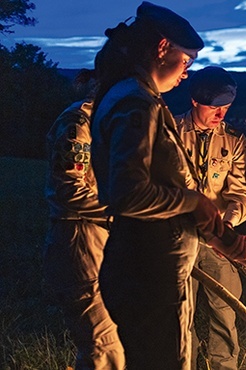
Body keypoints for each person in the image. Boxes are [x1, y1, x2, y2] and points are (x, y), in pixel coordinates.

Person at [90, 2, 246, 369]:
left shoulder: (141, 98)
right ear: (162, 48)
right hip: (145, 272)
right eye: (186, 62)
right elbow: (128, 193)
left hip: (153, 270)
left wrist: (216, 234)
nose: (185, 74)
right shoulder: (135, 102)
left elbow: (162, 187)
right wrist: (195, 201)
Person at [43, 68, 125, 370]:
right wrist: (123, 210)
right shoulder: (79, 123)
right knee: (103, 348)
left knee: (113, 342)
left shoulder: (110, 123)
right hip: (80, 239)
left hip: (105, 240)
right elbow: (68, 190)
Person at [174, 66, 246, 370]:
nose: (220, 114)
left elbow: (240, 193)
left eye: (226, 107)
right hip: (180, 237)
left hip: (219, 239)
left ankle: (225, 366)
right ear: (195, 101)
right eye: (213, 107)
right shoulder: (173, 132)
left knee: (226, 309)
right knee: (182, 312)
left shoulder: (234, 140)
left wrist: (227, 227)